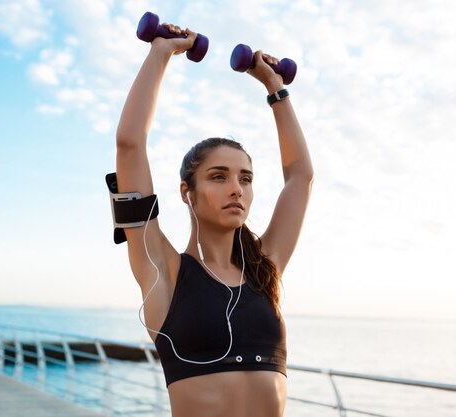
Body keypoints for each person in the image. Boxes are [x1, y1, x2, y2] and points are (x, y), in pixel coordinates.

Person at [115, 22, 313, 417]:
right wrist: (160, 53)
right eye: (218, 177)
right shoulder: (164, 271)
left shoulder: (265, 271)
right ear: (187, 193)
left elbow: (300, 176)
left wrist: (275, 87)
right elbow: (130, 143)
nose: (236, 189)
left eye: (245, 178)